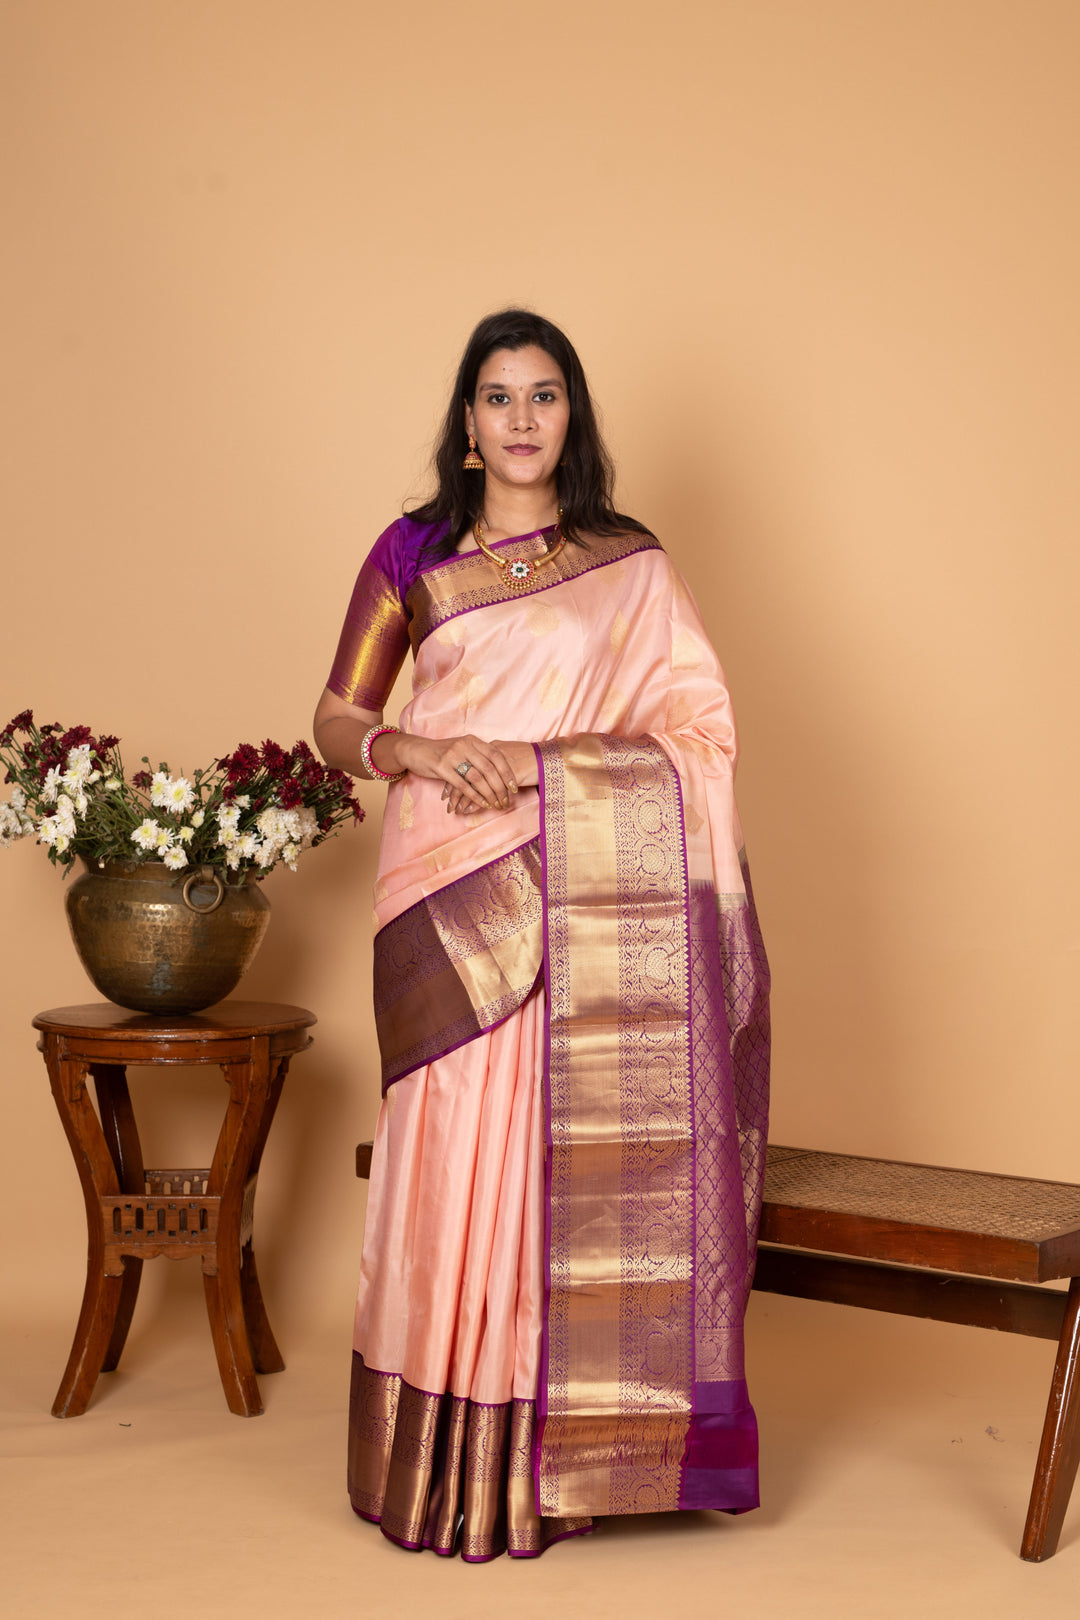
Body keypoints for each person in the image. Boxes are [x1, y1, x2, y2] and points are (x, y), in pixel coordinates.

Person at [314, 309, 770, 1562]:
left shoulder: (630, 564)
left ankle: (556, 1461)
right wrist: (415, 749)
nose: (522, 418)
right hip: (441, 891)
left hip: (581, 890)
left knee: (552, 1163)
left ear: (573, 415)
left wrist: (533, 767)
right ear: (467, 423)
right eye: (499, 396)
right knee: (453, 1153)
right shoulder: (411, 553)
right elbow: (337, 718)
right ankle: (440, 1464)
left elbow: (700, 738)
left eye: (544, 394)